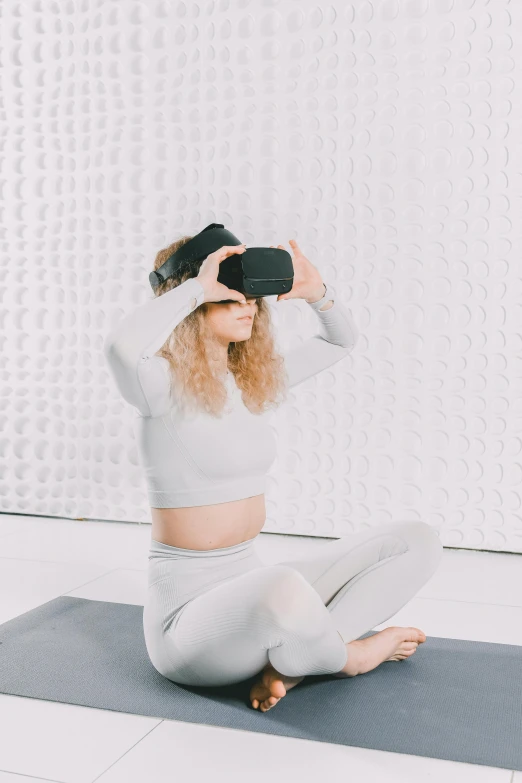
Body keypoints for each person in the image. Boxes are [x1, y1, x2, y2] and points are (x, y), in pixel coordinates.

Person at [104, 236, 443, 712]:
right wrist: (196, 287)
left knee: (417, 540)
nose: (246, 306)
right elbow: (121, 345)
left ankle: (293, 661)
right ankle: (350, 657)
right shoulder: (158, 386)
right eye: (227, 295)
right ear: (193, 301)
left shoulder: (249, 382)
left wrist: (316, 291)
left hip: (252, 583)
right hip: (189, 625)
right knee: (284, 590)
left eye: (249, 296)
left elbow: (339, 339)